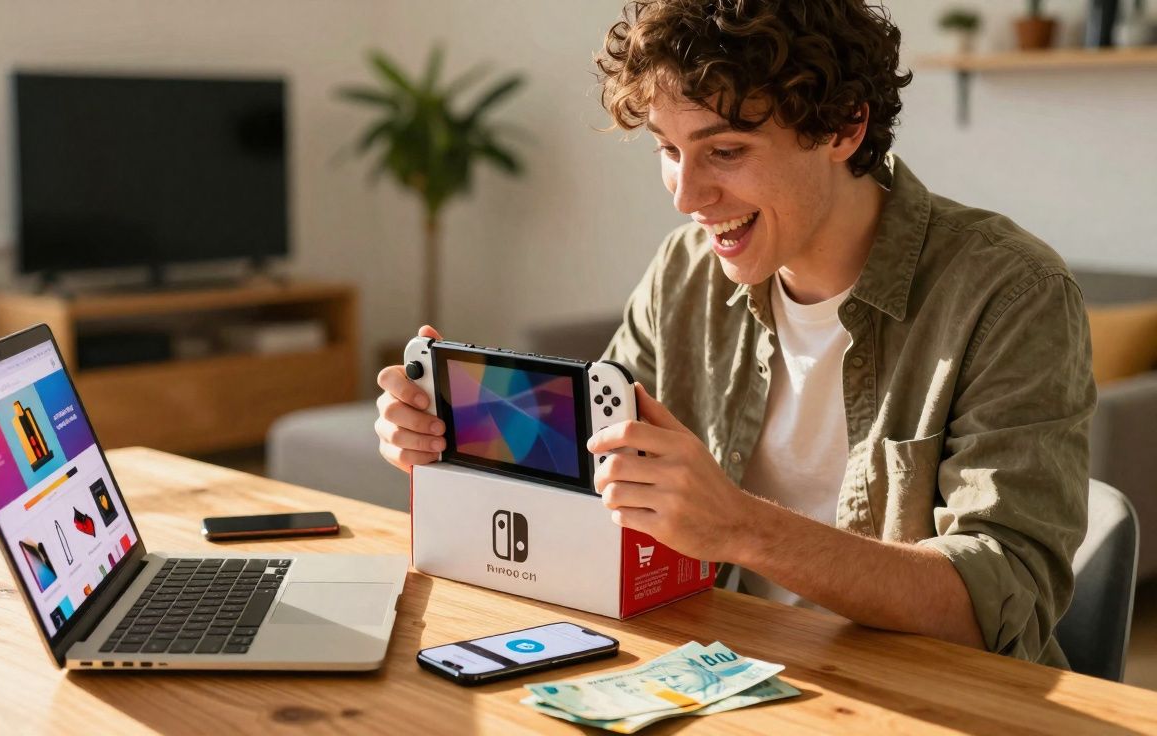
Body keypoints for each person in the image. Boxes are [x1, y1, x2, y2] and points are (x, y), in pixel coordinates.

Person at [374, 0, 1093, 668]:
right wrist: (457, 442)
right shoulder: (685, 272)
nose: (687, 196)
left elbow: (1002, 603)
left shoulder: (1010, 293)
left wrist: (740, 527)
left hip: (925, 698)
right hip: (720, 670)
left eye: (724, 152)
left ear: (845, 127)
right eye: (668, 149)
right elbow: (600, 477)